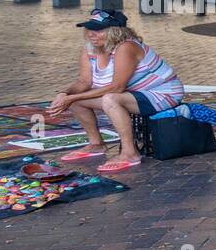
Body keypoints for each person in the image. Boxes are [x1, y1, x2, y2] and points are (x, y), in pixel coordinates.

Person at [47, 10, 185, 173]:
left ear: (115, 31)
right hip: (134, 94)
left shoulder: (126, 47)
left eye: (98, 30)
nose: (91, 34)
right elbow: (84, 81)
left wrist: (71, 98)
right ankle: (96, 144)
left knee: (110, 99)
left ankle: (130, 153)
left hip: (162, 94)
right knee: (74, 100)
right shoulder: (89, 49)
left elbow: (117, 87)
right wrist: (65, 94)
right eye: (89, 29)